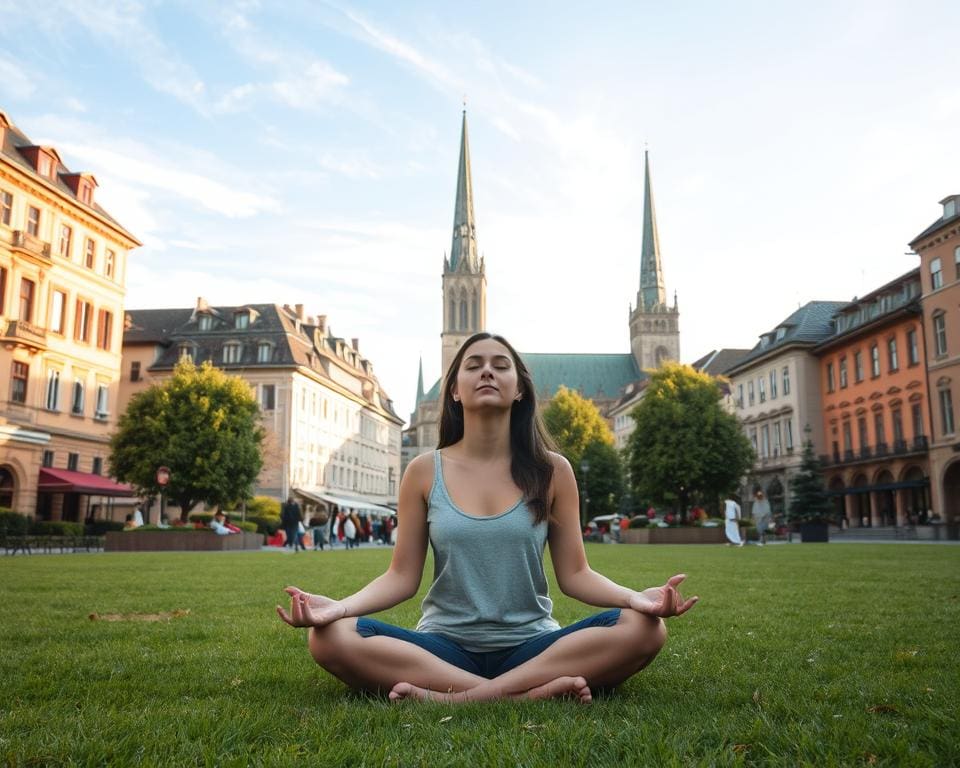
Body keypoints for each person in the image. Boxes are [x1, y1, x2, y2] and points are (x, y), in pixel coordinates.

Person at [277, 332, 698, 703]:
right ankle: (523, 694)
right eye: (473, 365)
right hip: (443, 647)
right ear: (454, 389)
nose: (487, 372)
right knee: (329, 638)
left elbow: (576, 575)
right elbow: (401, 578)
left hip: (533, 645)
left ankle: (460, 697)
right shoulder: (423, 471)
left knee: (646, 630)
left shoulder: (554, 470)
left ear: (519, 390)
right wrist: (340, 609)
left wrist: (633, 599)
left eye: (501, 365)